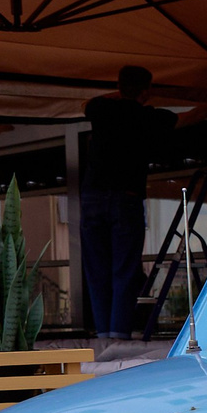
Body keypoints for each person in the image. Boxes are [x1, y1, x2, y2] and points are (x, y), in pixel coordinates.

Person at [79, 67, 172, 343]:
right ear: (147, 91)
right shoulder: (147, 116)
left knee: (96, 270)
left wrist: (120, 94)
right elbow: (188, 118)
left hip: (93, 196)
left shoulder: (101, 109)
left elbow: (85, 104)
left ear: (118, 86)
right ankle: (118, 335)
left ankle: (103, 334)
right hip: (126, 197)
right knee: (124, 269)